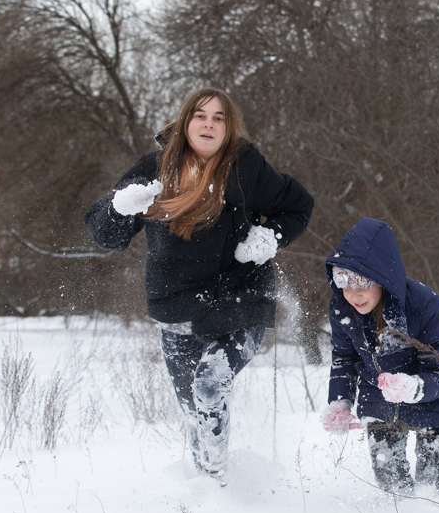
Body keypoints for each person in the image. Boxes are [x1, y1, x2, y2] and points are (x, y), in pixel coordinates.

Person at [85, 87, 314, 484]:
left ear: (229, 128)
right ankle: (214, 489)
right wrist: (119, 208)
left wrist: (269, 237)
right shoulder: (155, 169)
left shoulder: (246, 168)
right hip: (176, 309)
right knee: (194, 412)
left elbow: (299, 205)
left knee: (209, 387)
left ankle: (220, 491)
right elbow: (106, 234)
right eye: (201, 115)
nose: (209, 123)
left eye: (219, 118)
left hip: (238, 301)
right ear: (186, 121)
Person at [320, 217, 439, 494]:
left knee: (431, 490)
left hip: (435, 392)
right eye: (345, 283)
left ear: (383, 279)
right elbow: (344, 358)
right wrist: (340, 402)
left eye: (362, 284)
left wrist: (414, 387)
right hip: (378, 392)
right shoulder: (341, 307)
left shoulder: (424, 304)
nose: (354, 295)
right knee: (392, 486)